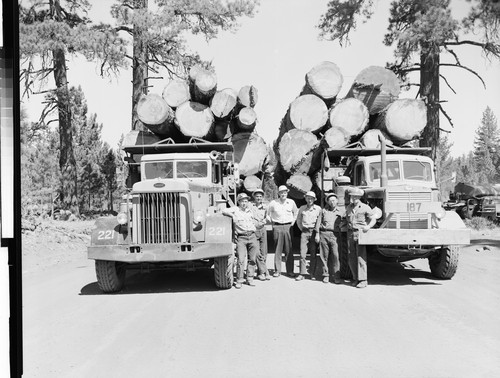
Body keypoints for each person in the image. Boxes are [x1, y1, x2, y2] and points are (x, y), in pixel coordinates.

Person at [222, 193, 259, 289]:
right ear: (238, 202)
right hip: (241, 237)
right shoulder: (235, 209)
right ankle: (239, 280)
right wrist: (232, 215)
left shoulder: (251, 210)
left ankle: (250, 278)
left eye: (246, 201)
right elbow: (223, 210)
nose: (244, 203)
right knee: (241, 260)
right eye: (242, 201)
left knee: (252, 259)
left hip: (252, 236)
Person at [345, 188, 376, 289]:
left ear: (359, 197)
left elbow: (373, 219)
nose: (354, 198)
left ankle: (363, 280)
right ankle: (355, 278)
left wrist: (368, 226)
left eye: (356, 197)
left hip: (360, 233)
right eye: (352, 196)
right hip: (350, 234)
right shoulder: (349, 208)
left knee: (361, 258)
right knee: (351, 257)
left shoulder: (365, 207)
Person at [267, 185, 298, 278]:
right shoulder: (273, 203)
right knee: (278, 249)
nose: (283, 194)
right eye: (281, 192)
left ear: (287, 193)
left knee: (289, 249)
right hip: (277, 226)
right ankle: (277, 271)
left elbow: (296, 212)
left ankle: (290, 271)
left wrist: (293, 222)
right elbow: (267, 213)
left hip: (288, 226)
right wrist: (271, 221)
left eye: (285, 192)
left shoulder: (291, 202)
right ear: (278, 193)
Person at [315, 192, 344, 284]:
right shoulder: (323, 211)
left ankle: (336, 276)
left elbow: (346, 221)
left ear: (337, 201)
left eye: (334, 200)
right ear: (327, 201)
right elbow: (318, 223)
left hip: (335, 235)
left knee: (336, 256)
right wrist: (317, 234)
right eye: (330, 200)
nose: (332, 202)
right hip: (324, 234)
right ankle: (325, 275)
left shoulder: (341, 211)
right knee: (324, 256)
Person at [295, 191, 321, 281]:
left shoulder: (318, 209)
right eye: (308, 198)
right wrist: (302, 229)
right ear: (305, 199)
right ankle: (302, 273)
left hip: (313, 232)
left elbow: (319, 221)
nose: (309, 200)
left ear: (314, 199)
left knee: (313, 254)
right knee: (302, 254)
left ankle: (312, 273)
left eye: (311, 198)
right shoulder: (302, 208)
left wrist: (317, 233)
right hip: (305, 232)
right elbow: (298, 220)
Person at [251, 188, 271, 281]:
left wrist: (264, 220)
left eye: (260, 196)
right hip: (254, 230)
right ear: (254, 197)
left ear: (262, 197)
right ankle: (265, 272)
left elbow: (268, 217)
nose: (259, 198)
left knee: (264, 252)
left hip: (263, 229)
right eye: (257, 196)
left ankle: (260, 273)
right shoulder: (250, 207)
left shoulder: (265, 207)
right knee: (257, 252)